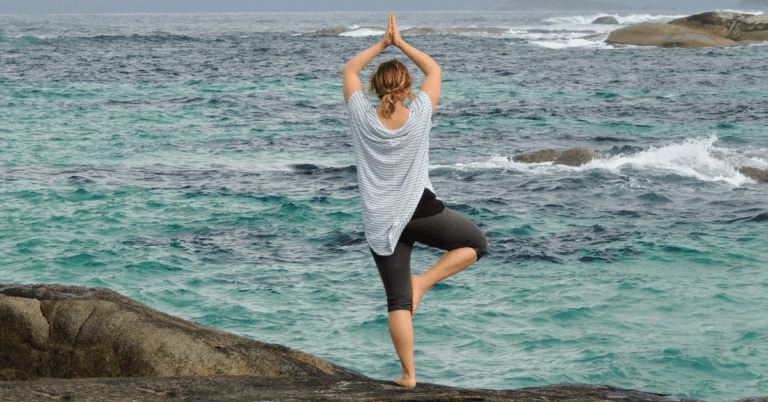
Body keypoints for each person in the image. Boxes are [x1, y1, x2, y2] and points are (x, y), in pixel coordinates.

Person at [342, 14, 488, 389]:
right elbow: (434, 70)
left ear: (374, 88)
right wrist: (401, 42)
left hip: (379, 220)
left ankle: (409, 375)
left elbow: (349, 69)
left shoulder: (360, 114)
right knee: (475, 244)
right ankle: (422, 282)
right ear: (408, 88)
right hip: (421, 210)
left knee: (397, 301)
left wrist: (381, 43)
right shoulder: (420, 113)